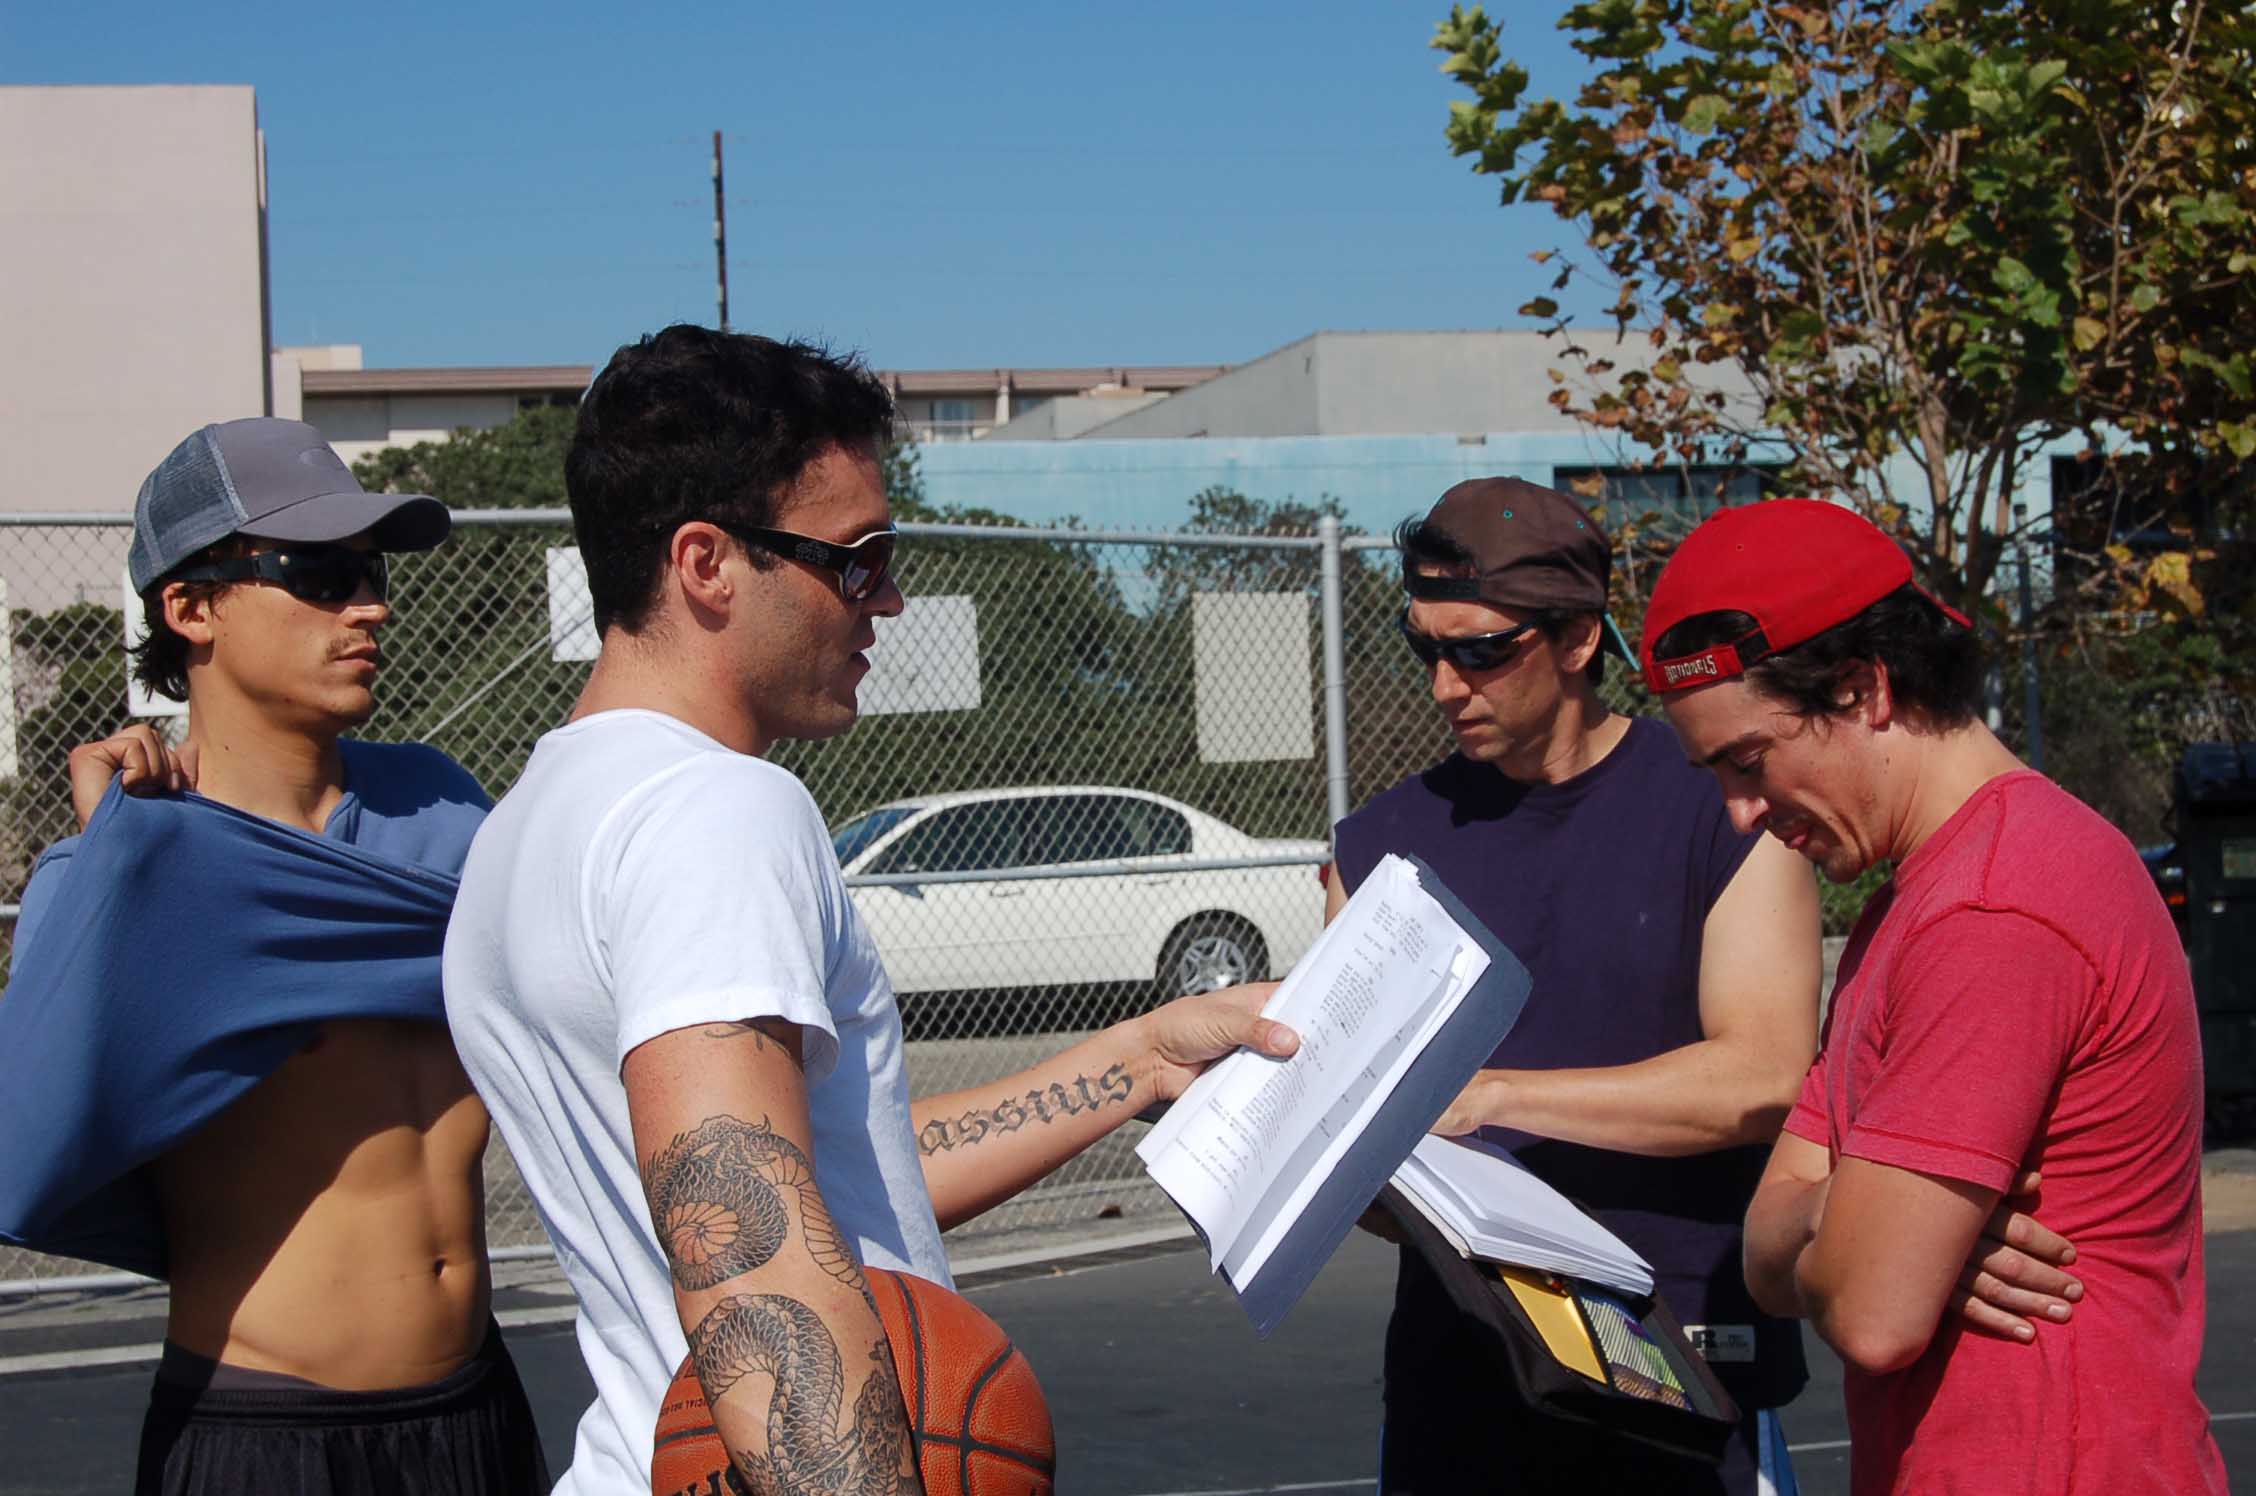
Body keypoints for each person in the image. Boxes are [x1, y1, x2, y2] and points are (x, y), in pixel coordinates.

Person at [441, 325, 1298, 1496]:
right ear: (707, 563)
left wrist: (1140, 1057)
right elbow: (752, 1251)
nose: (887, 598)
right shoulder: (720, 809)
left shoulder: (526, 824)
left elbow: (826, 1187)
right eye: (858, 556)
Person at [0, 418, 547, 1495]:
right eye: (321, 571)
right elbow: (31, 1127)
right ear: (189, 606)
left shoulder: (440, 803)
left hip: (476, 1411)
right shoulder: (131, 859)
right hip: (263, 1431)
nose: (371, 603)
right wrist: (115, 863)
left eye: (373, 570)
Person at [1642, 498, 2227, 1494]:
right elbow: (1764, 1247)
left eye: (1748, 761)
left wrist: (1870, 1230)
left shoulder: (1996, 908)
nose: (1740, 811)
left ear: (1864, 687)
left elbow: (1871, 1311)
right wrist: (1866, 1211)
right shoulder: (1909, 908)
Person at [1326, 478, 1821, 1495]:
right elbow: (1347, 1141)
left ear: (1580, 639)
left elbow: (1764, 1074)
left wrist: (1495, 1098)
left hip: (1679, 1371)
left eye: (1481, 650)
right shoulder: (1376, 850)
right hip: (1460, 1380)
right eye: (1427, 648)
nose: (1446, 686)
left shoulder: (1720, 802)